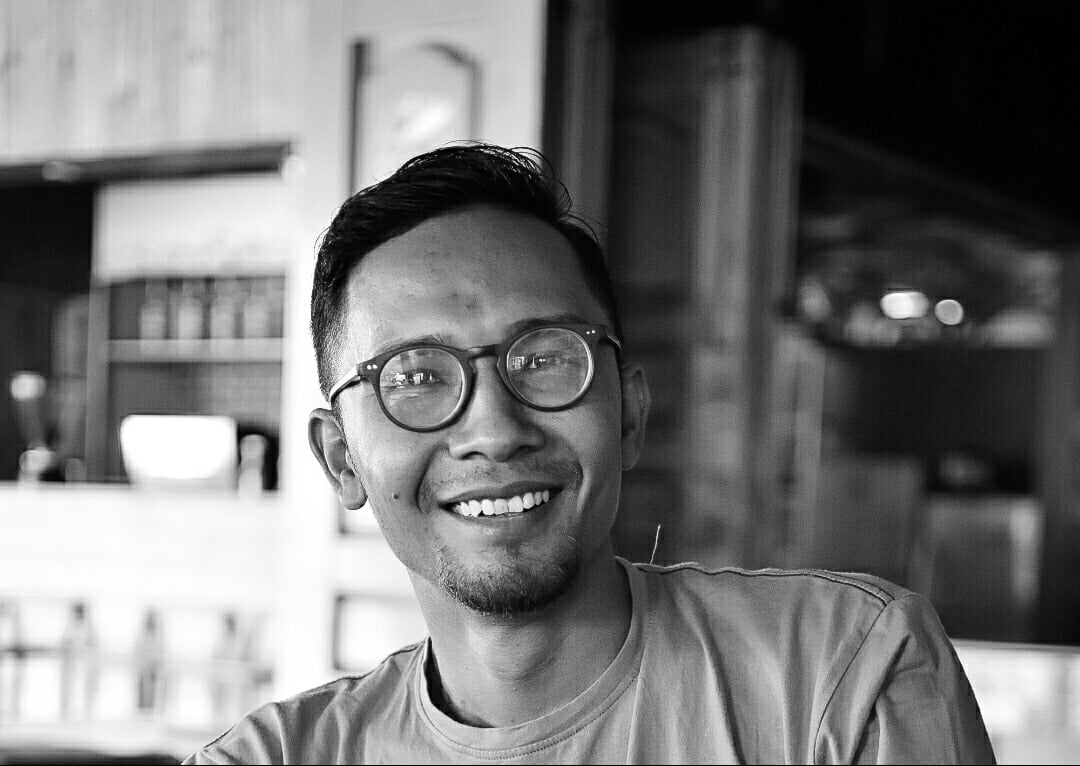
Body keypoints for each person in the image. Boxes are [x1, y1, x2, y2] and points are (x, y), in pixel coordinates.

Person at [184, 143, 996, 764]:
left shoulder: (842, 673)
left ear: (630, 413)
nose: (495, 429)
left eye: (543, 358)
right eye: (417, 376)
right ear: (341, 460)